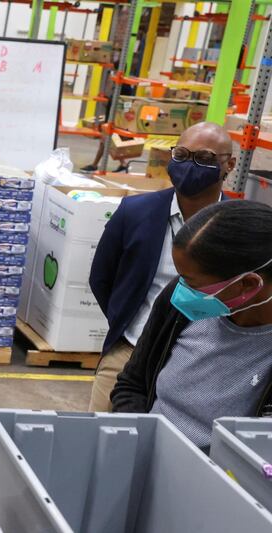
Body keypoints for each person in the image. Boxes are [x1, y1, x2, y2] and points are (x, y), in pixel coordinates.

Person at [88, 122, 235, 412]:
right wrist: (127, 325)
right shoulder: (134, 213)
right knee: (103, 442)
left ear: (229, 164)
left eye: (204, 159)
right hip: (129, 354)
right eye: (181, 155)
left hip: (205, 365)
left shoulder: (238, 227)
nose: (190, 166)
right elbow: (101, 277)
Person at [112, 201, 272, 450]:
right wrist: (137, 442)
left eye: (192, 283)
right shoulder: (179, 306)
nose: (181, 289)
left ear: (248, 285)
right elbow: (132, 384)